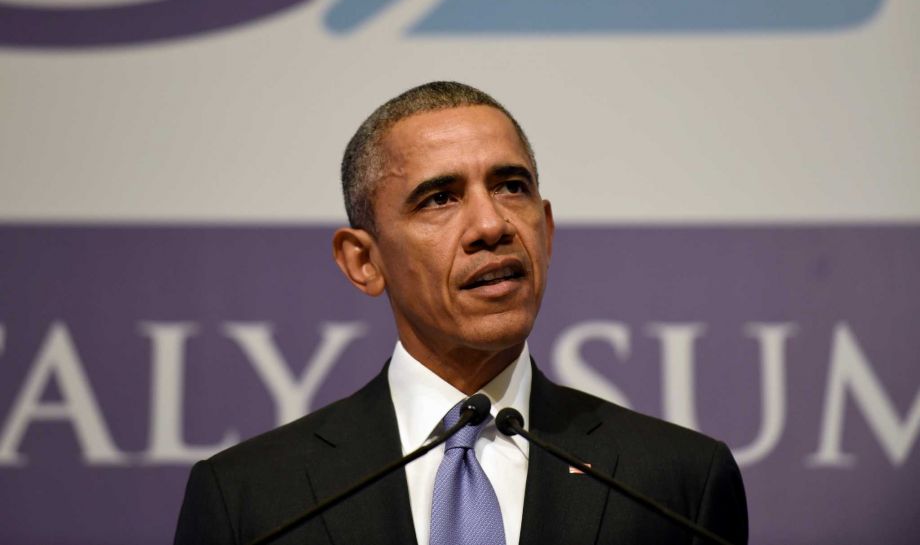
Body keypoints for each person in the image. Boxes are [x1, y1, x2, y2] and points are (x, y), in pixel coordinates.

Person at [174, 81, 748, 545]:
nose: (493, 226)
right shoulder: (251, 498)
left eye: (511, 187)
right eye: (440, 198)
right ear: (363, 261)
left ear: (545, 232)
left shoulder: (676, 485)